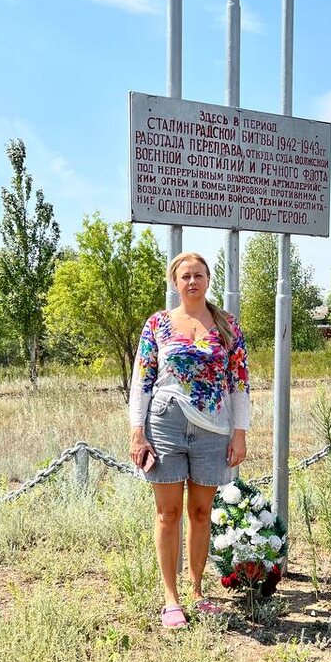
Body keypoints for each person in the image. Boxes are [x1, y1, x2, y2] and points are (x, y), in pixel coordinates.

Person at [129, 252, 250, 629]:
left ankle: (197, 591)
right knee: (168, 513)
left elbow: (239, 383)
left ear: (208, 279)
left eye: (198, 275)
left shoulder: (227, 325)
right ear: (175, 282)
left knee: (201, 513)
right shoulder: (158, 324)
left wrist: (240, 434)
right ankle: (171, 598)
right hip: (165, 424)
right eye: (185, 276)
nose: (192, 281)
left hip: (213, 429)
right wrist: (137, 432)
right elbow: (142, 379)